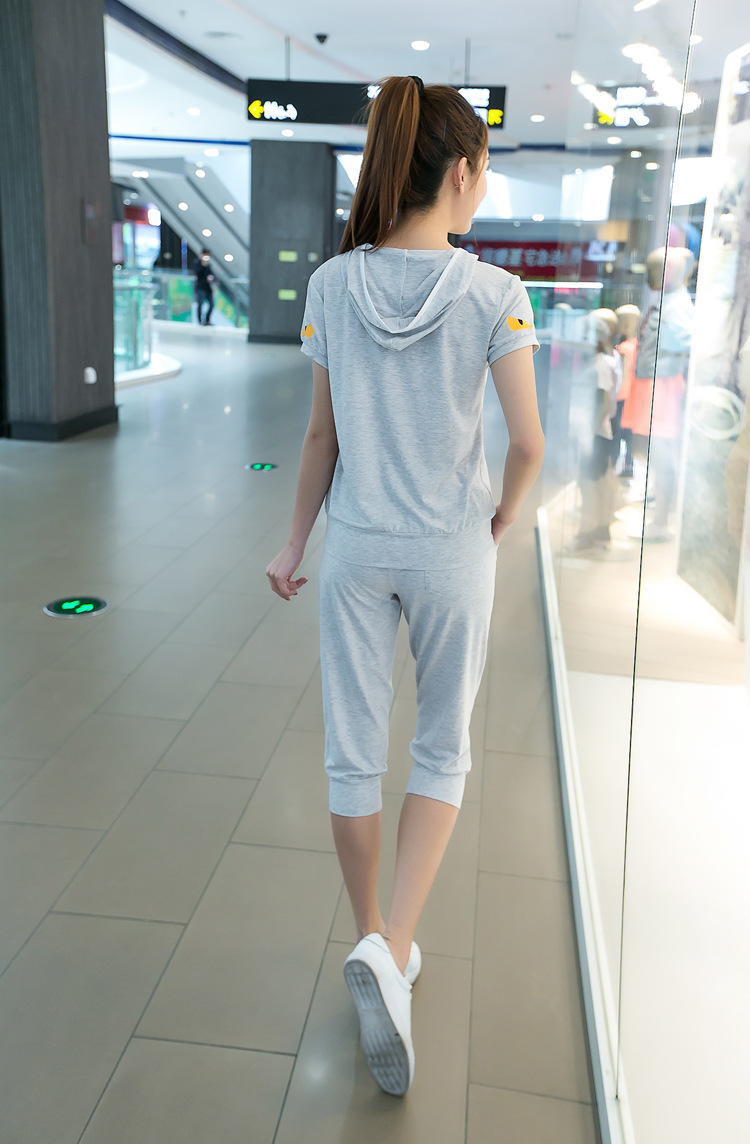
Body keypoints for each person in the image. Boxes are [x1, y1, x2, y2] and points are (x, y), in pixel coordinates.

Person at [265, 75, 544, 1097]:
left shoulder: (330, 285)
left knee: (353, 750)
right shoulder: (495, 293)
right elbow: (529, 443)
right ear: (461, 173)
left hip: (355, 547)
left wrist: (293, 544)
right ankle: (396, 948)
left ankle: (373, 936)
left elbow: (320, 437)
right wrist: (503, 514)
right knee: (440, 746)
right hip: (450, 548)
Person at [573, 309, 622, 549]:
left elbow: (603, 401)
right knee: (594, 482)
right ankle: (598, 530)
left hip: (596, 435)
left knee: (590, 483)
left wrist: (590, 433)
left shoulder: (601, 364)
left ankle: (588, 532)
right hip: (591, 433)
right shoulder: (594, 362)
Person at [193, 247, 214, 325]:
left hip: (208, 288)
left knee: (211, 304)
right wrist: (202, 264)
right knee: (200, 304)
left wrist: (211, 278)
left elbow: (211, 273)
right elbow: (197, 272)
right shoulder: (197, 262)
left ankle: (207, 320)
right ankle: (200, 320)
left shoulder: (208, 264)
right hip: (200, 287)